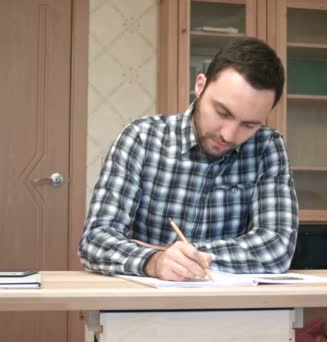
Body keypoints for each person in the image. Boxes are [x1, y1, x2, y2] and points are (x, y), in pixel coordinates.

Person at [79, 37, 299, 281]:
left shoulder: (267, 146)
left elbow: (277, 248)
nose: (228, 135)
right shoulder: (142, 138)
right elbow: (95, 239)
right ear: (200, 85)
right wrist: (153, 262)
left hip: (231, 307)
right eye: (222, 112)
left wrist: (174, 255)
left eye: (249, 124)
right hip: (141, 306)